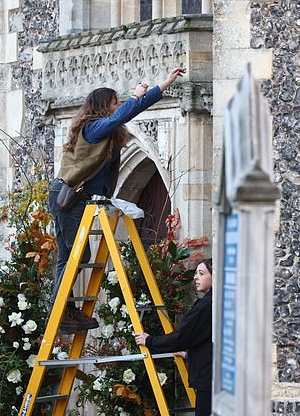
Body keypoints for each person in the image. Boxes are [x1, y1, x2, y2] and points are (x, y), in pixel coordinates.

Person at [47, 67, 187, 334]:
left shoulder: (106, 131)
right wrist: (135, 97)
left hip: (78, 197)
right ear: (104, 107)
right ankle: (61, 309)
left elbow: (129, 113)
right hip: (69, 197)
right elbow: (124, 114)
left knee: (67, 257)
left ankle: (64, 309)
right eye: (115, 102)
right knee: (79, 254)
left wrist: (164, 83)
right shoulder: (93, 128)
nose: (119, 106)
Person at [134, 258, 213, 415]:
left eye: (201, 273)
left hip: (210, 381)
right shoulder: (221, 301)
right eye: (196, 273)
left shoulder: (208, 305)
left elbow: (181, 336)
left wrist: (149, 341)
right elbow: (210, 341)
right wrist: (189, 354)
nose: (195, 277)